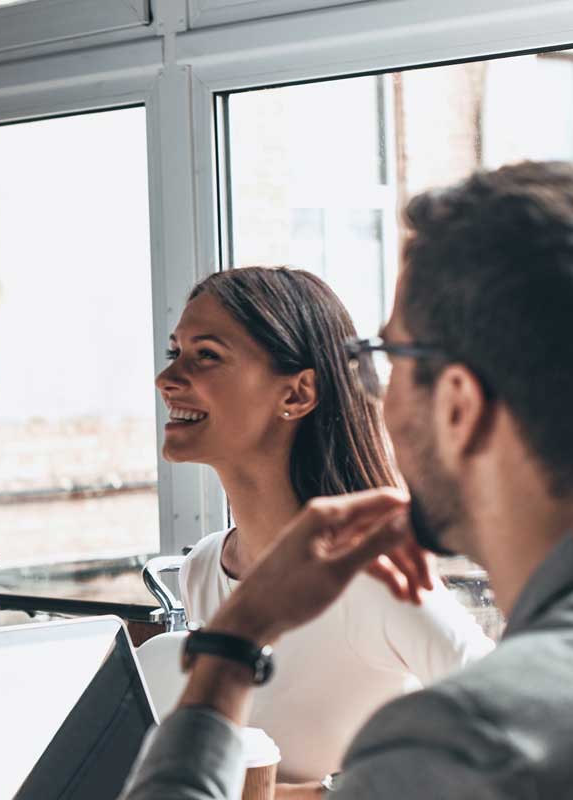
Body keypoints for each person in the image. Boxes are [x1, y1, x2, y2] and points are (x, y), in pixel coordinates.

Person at [122, 161, 573, 798]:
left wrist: (229, 653)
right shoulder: (204, 569)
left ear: (458, 405)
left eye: (388, 359)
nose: (375, 396)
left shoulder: (456, 736)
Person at [156, 266, 492, 780]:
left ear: (296, 395)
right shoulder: (204, 568)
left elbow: (520, 730)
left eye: (207, 356)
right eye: (174, 353)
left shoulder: (376, 581)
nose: (168, 379)